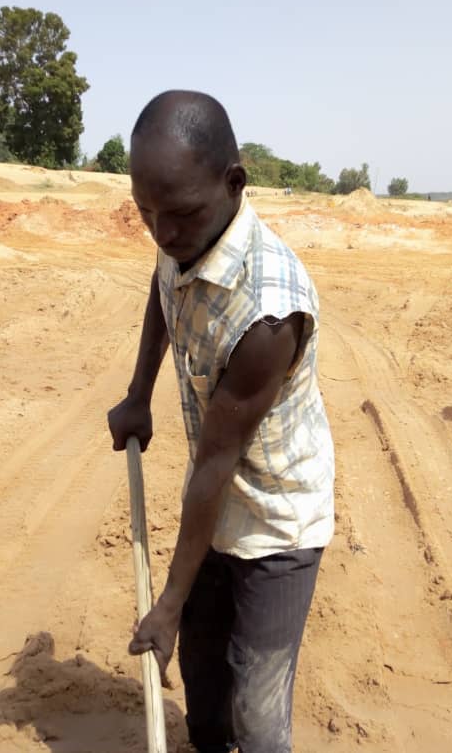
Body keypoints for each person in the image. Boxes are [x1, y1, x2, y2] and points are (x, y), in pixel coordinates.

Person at [108, 90, 335, 753]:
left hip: (275, 520)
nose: (162, 233)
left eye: (177, 215)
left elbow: (215, 461)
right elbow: (164, 287)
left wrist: (168, 605)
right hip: (215, 502)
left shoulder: (271, 311)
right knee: (205, 687)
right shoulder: (182, 230)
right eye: (146, 213)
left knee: (259, 721)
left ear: (233, 183)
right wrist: (138, 395)